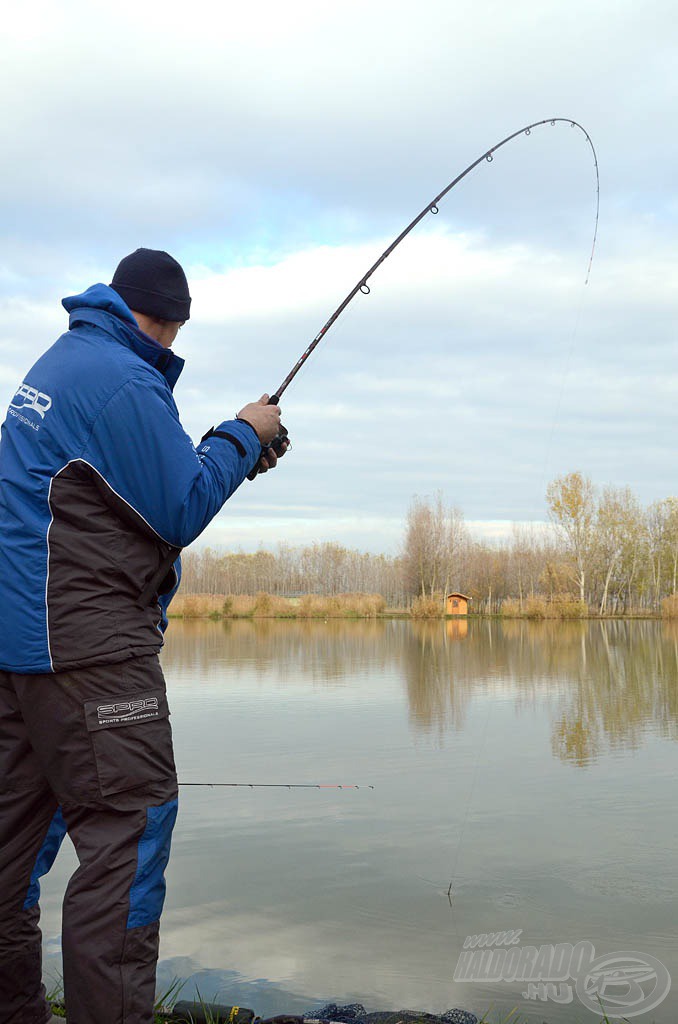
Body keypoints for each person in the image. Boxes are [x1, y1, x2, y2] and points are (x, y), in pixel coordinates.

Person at [0, 248, 288, 1024]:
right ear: (168, 323)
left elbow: (120, 499)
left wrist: (235, 453)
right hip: (93, 660)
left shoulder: (65, 360)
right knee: (124, 848)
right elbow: (180, 508)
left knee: (8, 864)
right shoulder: (126, 380)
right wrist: (243, 431)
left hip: (20, 657)